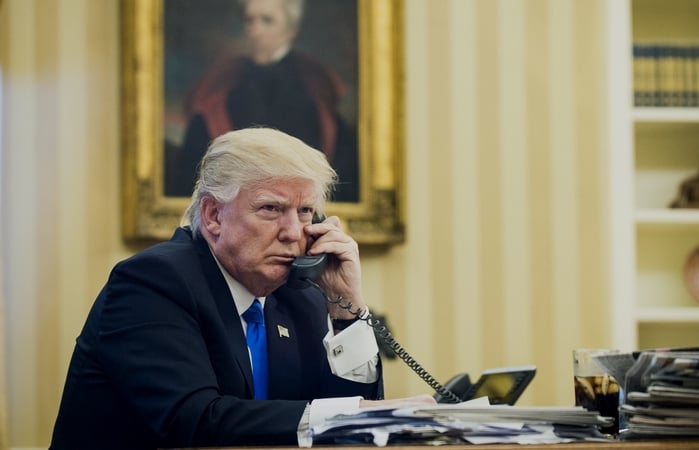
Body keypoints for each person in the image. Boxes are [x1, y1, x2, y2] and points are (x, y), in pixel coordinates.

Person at [50, 127, 434, 449]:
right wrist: (356, 414)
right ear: (214, 215)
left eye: (304, 211)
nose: (294, 232)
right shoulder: (153, 282)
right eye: (271, 209)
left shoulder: (300, 296)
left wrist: (346, 306)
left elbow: (344, 429)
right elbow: (196, 421)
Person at [166, 0, 359, 202]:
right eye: (249, 20)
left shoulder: (313, 85)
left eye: (267, 21)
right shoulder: (226, 79)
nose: (254, 31)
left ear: (290, 30)